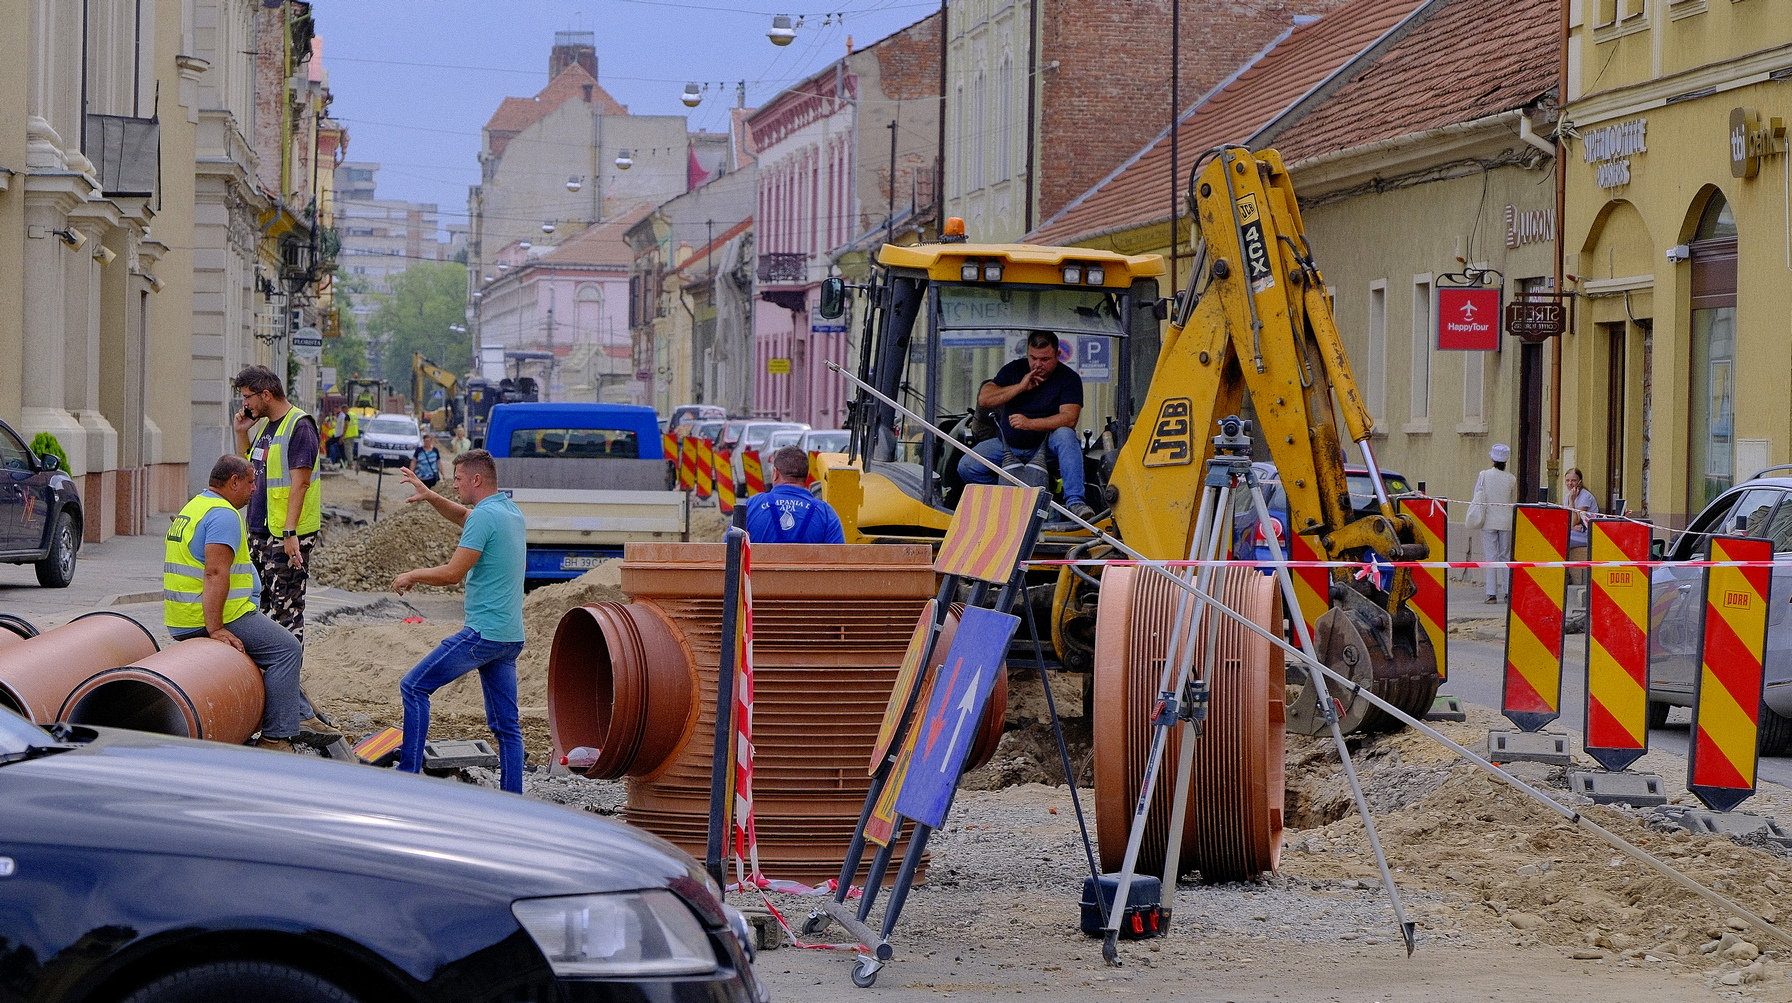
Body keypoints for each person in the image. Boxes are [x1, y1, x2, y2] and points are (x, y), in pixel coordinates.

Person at [164, 455, 340, 753]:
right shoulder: (223, 515)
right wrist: (216, 628)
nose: (255, 489)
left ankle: (302, 714)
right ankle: (275, 738)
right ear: (233, 482)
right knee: (286, 649)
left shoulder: (194, 507)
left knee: (269, 650)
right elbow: (215, 573)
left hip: (183, 615)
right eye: (250, 482)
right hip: (213, 616)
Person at [390, 449, 527, 793]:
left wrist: (412, 574)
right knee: (507, 727)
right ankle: (513, 800)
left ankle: (407, 779)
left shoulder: (484, 517)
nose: (454, 486)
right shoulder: (509, 511)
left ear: (476, 479)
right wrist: (430, 495)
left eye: (458, 479)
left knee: (413, 686)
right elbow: (466, 515)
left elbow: (453, 574)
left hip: (483, 634)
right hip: (509, 636)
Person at [956, 330, 1093, 519]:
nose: (1038, 364)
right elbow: (985, 398)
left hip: (1046, 447)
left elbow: (1069, 418)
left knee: (1067, 435)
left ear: (1058, 355)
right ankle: (1005, 504)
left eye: (1045, 359)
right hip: (1007, 446)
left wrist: (1030, 424)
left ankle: (1075, 502)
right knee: (967, 465)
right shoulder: (1014, 369)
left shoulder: (1069, 379)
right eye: (1033, 358)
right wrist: (1020, 387)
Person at [232, 365, 323, 641]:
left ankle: (289, 669)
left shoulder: (300, 426)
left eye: (247, 397)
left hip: (285, 535)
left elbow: (301, 483)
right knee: (258, 610)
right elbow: (250, 470)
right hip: (261, 532)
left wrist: (290, 532)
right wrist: (241, 433)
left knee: (286, 612)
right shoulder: (267, 428)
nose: (244, 404)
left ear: (266, 395)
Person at [744, 446, 846, 544]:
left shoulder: (751, 506)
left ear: (776, 473)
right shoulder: (825, 513)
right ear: (807, 475)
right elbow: (839, 554)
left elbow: (734, 548)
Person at [1473, 443, 1520, 603]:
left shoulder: (1484, 475)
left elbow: (1477, 495)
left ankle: (1491, 593)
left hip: (1488, 520)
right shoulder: (1511, 479)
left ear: (1492, 459)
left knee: (1491, 556)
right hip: (1505, 520)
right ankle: (1507, 592)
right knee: (1505, 556)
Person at [1564, 467, 1599, 587]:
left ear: (1580, 481)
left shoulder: (1585, 496)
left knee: (1562, 539)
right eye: (1567, 480)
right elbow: (1567, 521)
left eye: (1573, 480)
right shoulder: (1567, 496)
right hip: (1576, 532)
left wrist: (1572, 501)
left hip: (1587, 534)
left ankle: (1566, 574)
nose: (1570, 483)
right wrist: (1572, 526)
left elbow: (1574, 520)